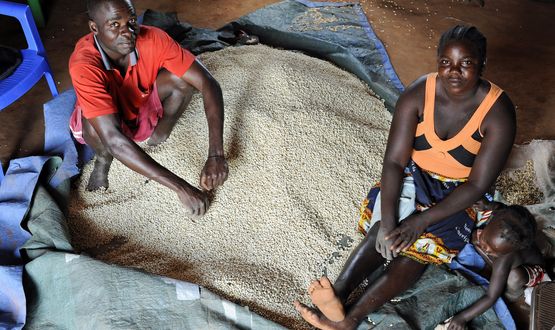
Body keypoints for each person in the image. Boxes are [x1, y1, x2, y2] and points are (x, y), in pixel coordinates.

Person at [294, 24, 517, 330]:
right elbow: (395, 162)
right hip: (414, 175)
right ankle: (337, 296)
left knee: (419, 251)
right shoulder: (418, 94)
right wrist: (388, 221)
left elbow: (477, 184)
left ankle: (349, 321)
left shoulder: (498, 112)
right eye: (446, 63)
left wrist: (420, 222)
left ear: (482, 65)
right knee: (384, 231)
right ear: (437, 61)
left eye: (466, 64)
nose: (454, 72)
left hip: (460, 193)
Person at [69, 0, 228, 216]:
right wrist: (181, 188)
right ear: (94, 28)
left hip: (138, 100)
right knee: (93, 125)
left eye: (131, 21)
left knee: (181, 80)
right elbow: (114, 138)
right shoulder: (84, 65)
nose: (128, 32)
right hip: (109, 127)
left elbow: (208, 82)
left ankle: (157, 135)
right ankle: (103, 161)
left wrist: (216, 155)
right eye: (115, 25)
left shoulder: (153, 38)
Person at [444, 204, 548, 330]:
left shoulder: (504, 259)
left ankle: (511, 295)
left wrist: (463, 317)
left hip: (531, 270)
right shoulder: (498, 213)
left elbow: (491, 296)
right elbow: (498, 207)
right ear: (492, 218)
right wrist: (486, 205)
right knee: (475, 238)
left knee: (514, 277)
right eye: (486, 241)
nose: (487, 250)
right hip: (506, 254)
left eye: (494, 251)